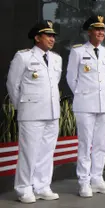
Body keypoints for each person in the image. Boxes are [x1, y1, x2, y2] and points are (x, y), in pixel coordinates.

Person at [6, 20, 61, 203]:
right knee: (29, 152)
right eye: (48, 35)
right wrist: (22, 107)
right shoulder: (23, 57)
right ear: (37, 37)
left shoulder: (56, 58)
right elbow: (13, 85)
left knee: (47, 151)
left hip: (52, 112)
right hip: (31, 112)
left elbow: (54, 84)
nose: (52, 39)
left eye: (53, 36)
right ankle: (24, 188)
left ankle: (42, 185)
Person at [66, 15, 105, 197]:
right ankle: (84, 182)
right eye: (97, 29)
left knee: (101, 144)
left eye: (102, 29)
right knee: (85, 144)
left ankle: (97, 179)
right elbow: (71, 78)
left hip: (104, 104)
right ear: (90, 32)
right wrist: (82, 93)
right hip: (85, 103)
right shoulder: (78, 51)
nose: (101, 32)